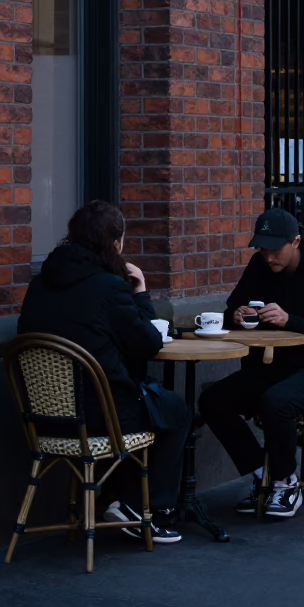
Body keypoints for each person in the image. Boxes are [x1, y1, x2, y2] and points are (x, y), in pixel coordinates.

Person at [18, 199, 192, 545]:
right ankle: (146, 510)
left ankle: (116, 503)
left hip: (44, 417)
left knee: (144, 401)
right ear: (116, 244)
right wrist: (140, 291)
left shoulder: (40, 283)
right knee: (175, 410)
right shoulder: (110, 287)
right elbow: (146, 344)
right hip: (101, 418)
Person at [198, 208, 304, 520]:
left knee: (276, 402)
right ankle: (262, 474)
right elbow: (231, 311)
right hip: (270, 368)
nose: (268, 257)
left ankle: (286, 483)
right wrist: (237, 316)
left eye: (274, 249)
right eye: (262, 249)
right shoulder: (259, 266)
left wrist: (289, 320)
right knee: (212, 400)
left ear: (295, 242)